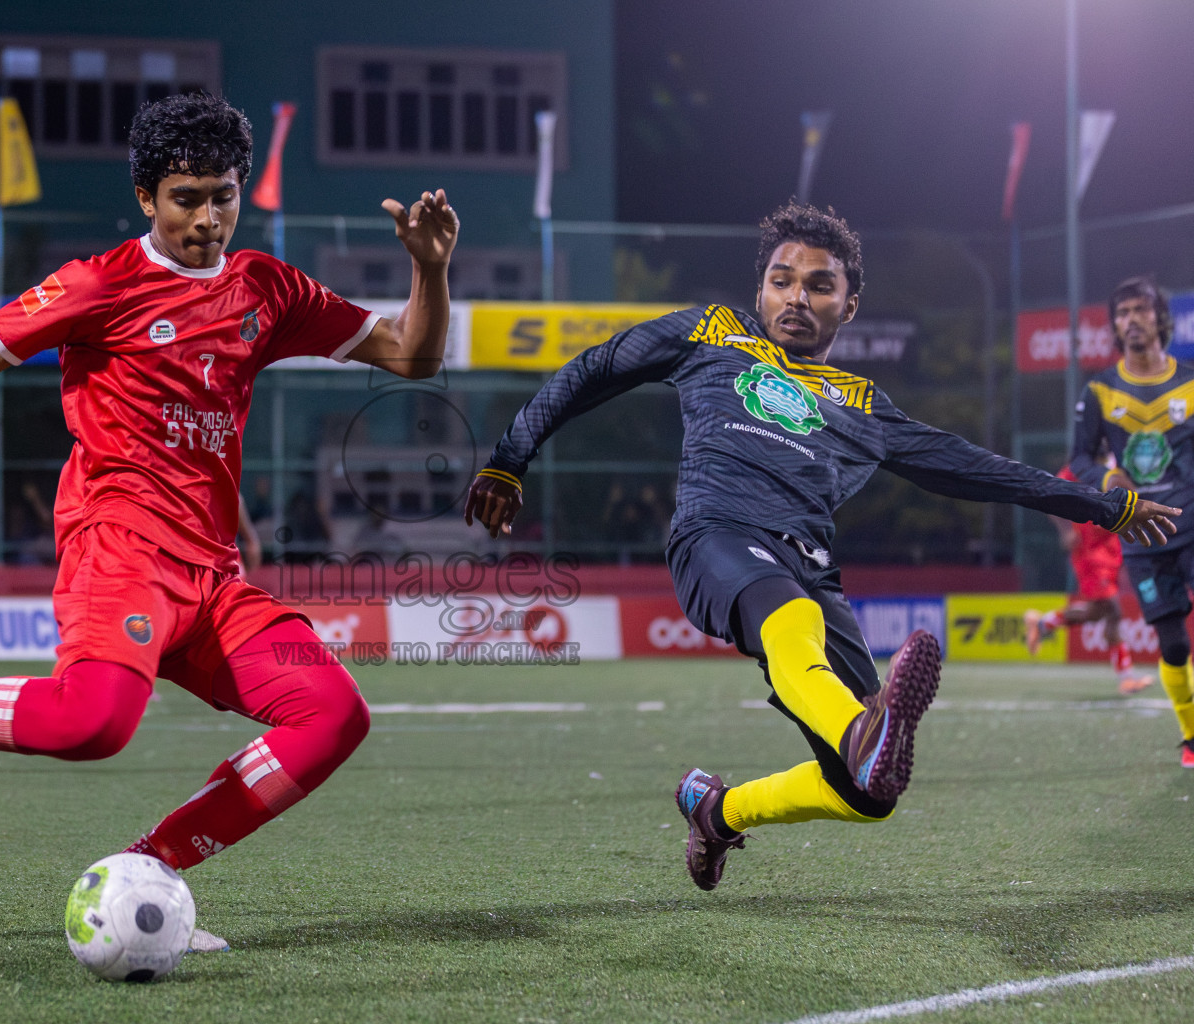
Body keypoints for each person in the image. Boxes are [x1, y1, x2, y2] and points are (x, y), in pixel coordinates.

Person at [0, 94, 457, 949]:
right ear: (147, 198)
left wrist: (429, 268)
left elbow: (412, 356)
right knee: (92, 725)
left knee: (333, 712)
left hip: (214, 575)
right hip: (118, 546)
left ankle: (151, 868)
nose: (207, 218)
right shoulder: (100, 284)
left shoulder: (266, 288)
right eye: (186, 197)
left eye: (222, 196)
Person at [465, 202, 1177, 891]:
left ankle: (718, 811)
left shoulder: (863, 404)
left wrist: (1101, 505)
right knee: (805, 643)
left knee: (868, 796)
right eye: (781, 279)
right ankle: (863, 733)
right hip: (717, 537)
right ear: (760, 288)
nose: (795, 296)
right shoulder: (715, 330)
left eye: (818, 284)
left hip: (809, 570)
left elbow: (976, 467)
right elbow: (598, 366)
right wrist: (509, 457)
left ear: (850, 305)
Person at [1069, 275, 1194, 767]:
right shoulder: (1100, 390)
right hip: (1143, 534)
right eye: (1122, 313)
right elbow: (1078, 459)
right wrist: (1107, 476)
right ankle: (1190, 736)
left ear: (1159, 318)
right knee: (1174, 642)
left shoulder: (1189, 382)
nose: (1131, 320)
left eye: (1141, 309)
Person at [1023, 444, 1151, 694]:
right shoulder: (1075, 468)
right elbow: (1050, 498)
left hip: (1110, 547)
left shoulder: (1111, 463)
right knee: (1113, 611)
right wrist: (1066, 530)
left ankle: (1043, 623)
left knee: (1098, 611)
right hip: (1089, 551)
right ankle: (1126, 677)